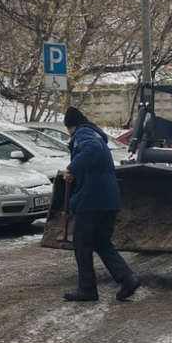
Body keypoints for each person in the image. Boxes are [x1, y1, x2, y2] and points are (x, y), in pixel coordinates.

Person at [61, 106, 140, 302]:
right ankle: (127, 279)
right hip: (108, 198)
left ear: (71, 126)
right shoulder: (95, 134)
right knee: (101, 242)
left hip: (92, 200)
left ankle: (87, 289)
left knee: (81, 244)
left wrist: (71, 168)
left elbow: (91, 151)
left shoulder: (83, 133)